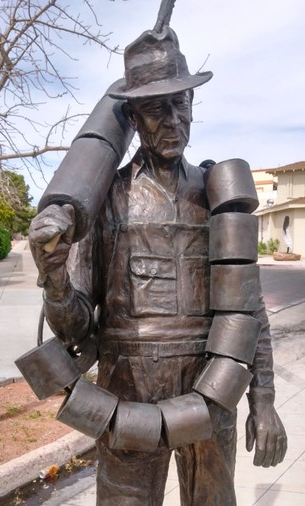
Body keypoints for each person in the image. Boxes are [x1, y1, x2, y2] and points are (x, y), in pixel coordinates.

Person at [29, 25, 287, 506]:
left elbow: (249, 311)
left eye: (181, 104)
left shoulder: (216, 194)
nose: (173, 121)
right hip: (129, 392)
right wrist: (56, 279)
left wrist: (264, 400)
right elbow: (76, 326)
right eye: (155, 108)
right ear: (131, 116)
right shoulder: (105, 201)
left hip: (213, 387)